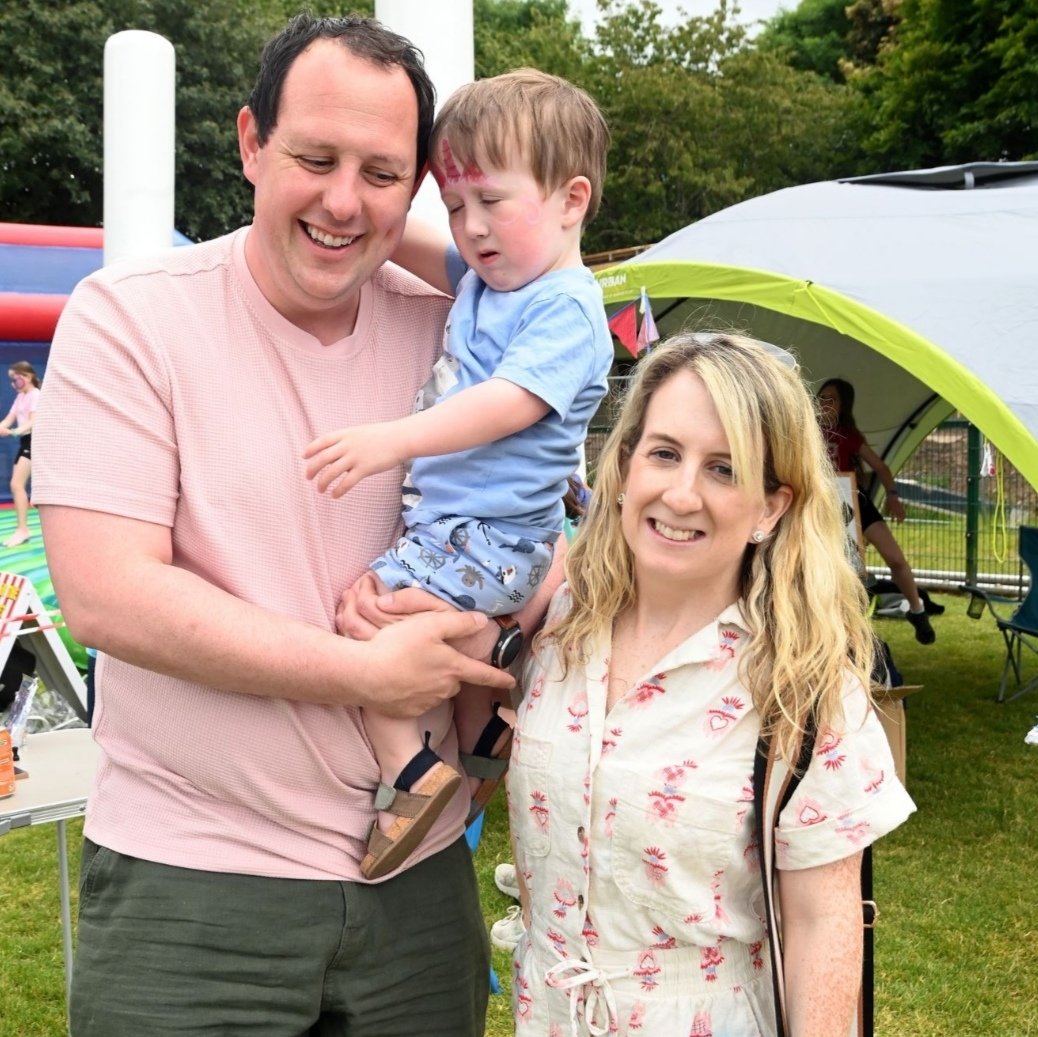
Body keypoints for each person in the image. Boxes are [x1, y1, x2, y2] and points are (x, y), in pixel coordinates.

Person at [31, 15, 555, 1037]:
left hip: (417, 889)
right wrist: (362, 674)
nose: (343, 200)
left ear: (419, 192)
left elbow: (541, 516)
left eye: (381, 172)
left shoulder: (461, 329)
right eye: (314, 158)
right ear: (248, 145)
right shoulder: (131, 316)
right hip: (193, 887)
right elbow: (105, 590)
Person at [506, 333, 916, 1035]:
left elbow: (823, 922)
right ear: (627, 465)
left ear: (771, 508)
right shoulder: (557, 628)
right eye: (664, 452)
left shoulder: (801, 685)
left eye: (724, 468)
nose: (682, 492)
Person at [303, 69, 612, 879]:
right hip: (470, 535)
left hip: (488, 539)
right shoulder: (488, 280)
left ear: (571, 201)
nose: (470, 227)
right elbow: (398, 236)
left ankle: (411, 773)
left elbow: (504, 405)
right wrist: (355, 205)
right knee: (457, 664)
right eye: (455, 204)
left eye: (492, 202)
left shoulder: (566, 307)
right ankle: (481, 752)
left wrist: (391, 440)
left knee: (366, 622)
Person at [817, 377, 937, 644]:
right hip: (821, 505)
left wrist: (893, 496)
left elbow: (881, 468)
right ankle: (844, 629)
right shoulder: (806, 431)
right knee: (843, 568)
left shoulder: (849, 435)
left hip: (853, 500)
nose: (824, 404)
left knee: (895, 558)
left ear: (843, 405)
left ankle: (917, 610)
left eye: (831, 399)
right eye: (820, 398)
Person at [0, 360, 41, 548]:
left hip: (35, 441)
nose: (14, 382)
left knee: (17, 484)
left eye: (16, 378)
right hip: (25, 441)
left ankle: (23, 530)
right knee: (16, 485)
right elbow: (8, 420)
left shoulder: (35, 395)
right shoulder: (20, 397)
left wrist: (14, 432)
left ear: (27, 376)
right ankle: (22, 529)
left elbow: (33, 422)